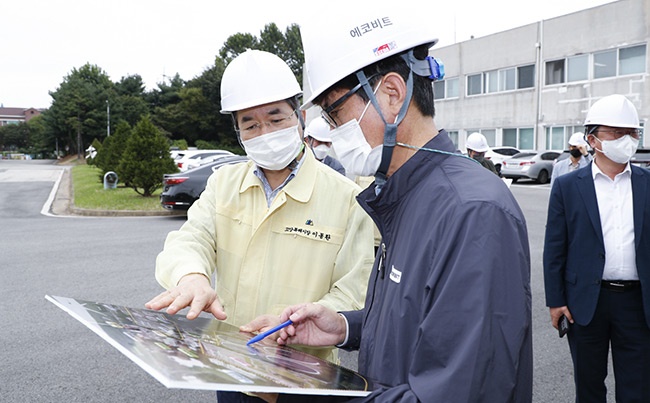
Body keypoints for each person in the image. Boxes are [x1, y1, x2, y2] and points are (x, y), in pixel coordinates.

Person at [246, 6, 533, 402]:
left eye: (335, 112)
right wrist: (345, 327)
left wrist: (313, 395)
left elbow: (458, 391)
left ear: (393, 94)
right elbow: (422, 319)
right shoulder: (409, 193)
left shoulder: (471, 211)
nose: (331, 131)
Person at [145, 49, 375, 402]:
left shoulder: (345, 198)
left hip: (302, 378)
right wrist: (192, 276)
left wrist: (292, 325)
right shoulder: (224, 184)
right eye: (250, 124)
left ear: (298, 116)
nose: (265, 131)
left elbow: (354, 290)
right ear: (238, 132)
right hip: (231, 369)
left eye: (275, 118)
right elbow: (192, 239)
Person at [543, 94, 650, 402]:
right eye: (616, 133)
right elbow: (555, 247)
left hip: (637, 302)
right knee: (589, 387)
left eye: (632, 132)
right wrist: (555, 300)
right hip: (586, 302)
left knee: (639, 388)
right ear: (593, 139)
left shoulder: (646, 182)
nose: (626, 140)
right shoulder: (568, 186)